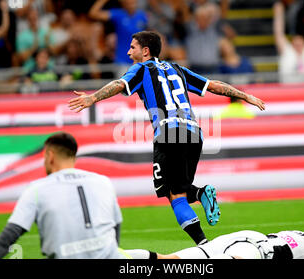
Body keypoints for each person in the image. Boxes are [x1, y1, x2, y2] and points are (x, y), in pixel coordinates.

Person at [68, 31, 265, 245]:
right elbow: (213, 85)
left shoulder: (141, 69)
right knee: (179, 187)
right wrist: (245, 95)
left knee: (174, 196)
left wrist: (93, 97)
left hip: (168, 132)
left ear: (145, 51)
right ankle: (200, 194)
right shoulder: (177, 68)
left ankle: (203, 244)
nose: (128, 51)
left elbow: (119, 84)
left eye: (132, 47)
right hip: (194, 133)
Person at [0, 132, 124, 259]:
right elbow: (116, 228)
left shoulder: (37, 189)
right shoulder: (103, 181)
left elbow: (8, 237)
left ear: (50, 155)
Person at [126, 226, 304, 259]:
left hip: (242, 238)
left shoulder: (297, 233)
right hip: (255, 248)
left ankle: (117, 256)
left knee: (169, 261)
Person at [274, 1, 304, 84]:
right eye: (295, 45)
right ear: (292, 44)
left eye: (300, 44)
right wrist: (278, 14)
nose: (298, 46)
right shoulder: (287, 51)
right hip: (289, 91)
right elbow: (279, 33)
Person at [89, 0, 148, 66]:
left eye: (133, 2)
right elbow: (93, 13)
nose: (131, 3)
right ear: (123, 3)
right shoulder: (118, 14)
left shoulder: (142, 16)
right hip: (122, 61)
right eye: (128, 2)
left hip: (139, 61)